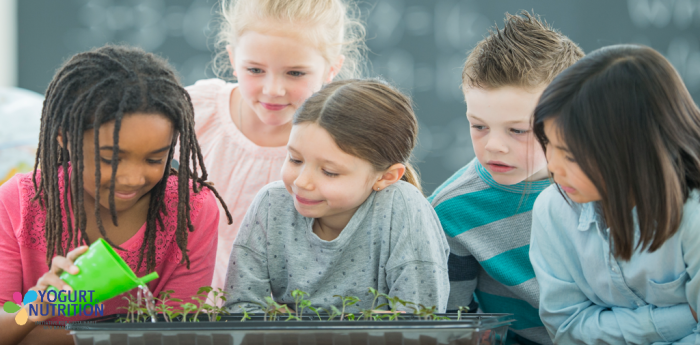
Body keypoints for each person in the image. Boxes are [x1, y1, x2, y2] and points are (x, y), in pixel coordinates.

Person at [0, 45, 230, 345]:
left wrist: (45, 338)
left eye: (154, 159)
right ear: (64, 138)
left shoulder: (191, 208)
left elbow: (176, 333)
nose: (133, 178)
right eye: (111, 159)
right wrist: (34, 309)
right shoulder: (18, 201)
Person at [186, 0, 368, 292]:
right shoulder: (196, 112)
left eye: (295, 73)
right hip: (193, 309)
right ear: (233, 58)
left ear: (332, 68)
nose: (272, 89)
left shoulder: (344, 143)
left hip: (291, 316)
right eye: (255, 70)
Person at [224, 79, 450, 313]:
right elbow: (240, 307)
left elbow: (421, 322)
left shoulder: (403, 207)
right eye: (295, 159)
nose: (301, 182)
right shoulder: (271, 203)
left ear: (386, 176)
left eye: (329, 172)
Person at [428, 11, 584, 345]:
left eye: (518, 130)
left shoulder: (611, 188)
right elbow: (456, 322)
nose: (494, 146)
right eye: (479, 126)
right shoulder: (451, 209)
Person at [530, 44, 700, 344]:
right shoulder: (553, 207)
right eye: (548, 145)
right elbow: (566, 329)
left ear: (630, 149)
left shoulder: (694, 213)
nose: (553, 169)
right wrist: (680, 317)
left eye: (570, 155)